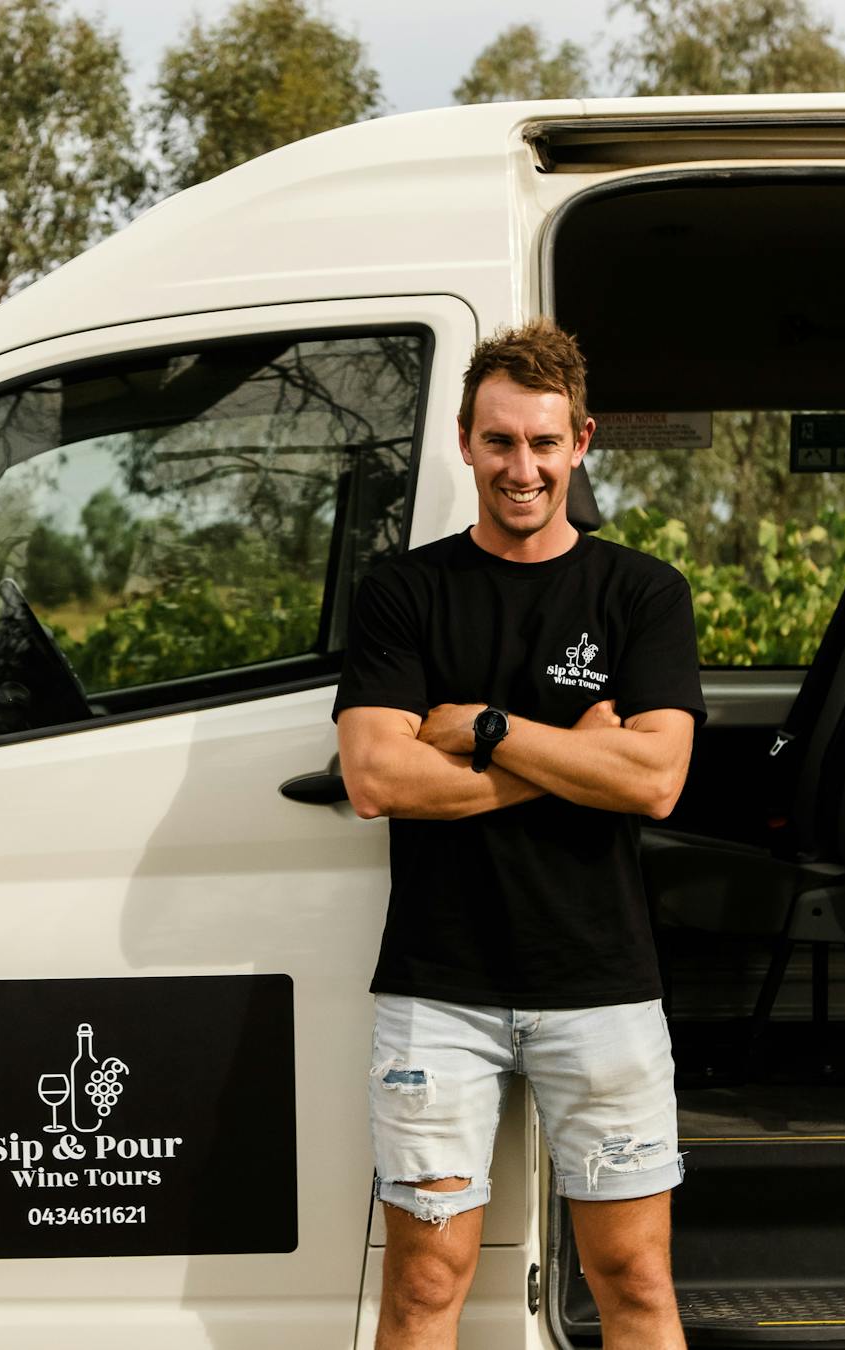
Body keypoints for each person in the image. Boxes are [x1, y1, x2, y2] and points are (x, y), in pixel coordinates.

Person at [334, 319, 704, 1350]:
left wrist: (489, 731)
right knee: (423, 1287)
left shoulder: (641, 594)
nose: (522, 468)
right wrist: (576, 764)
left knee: (632, 1279)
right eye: (500, 442)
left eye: (544, 444)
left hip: (602, 986)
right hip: (438, 992)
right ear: (465, 442)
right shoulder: (403, 592)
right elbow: (374, 777)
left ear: (580, 441)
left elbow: (659, 778)